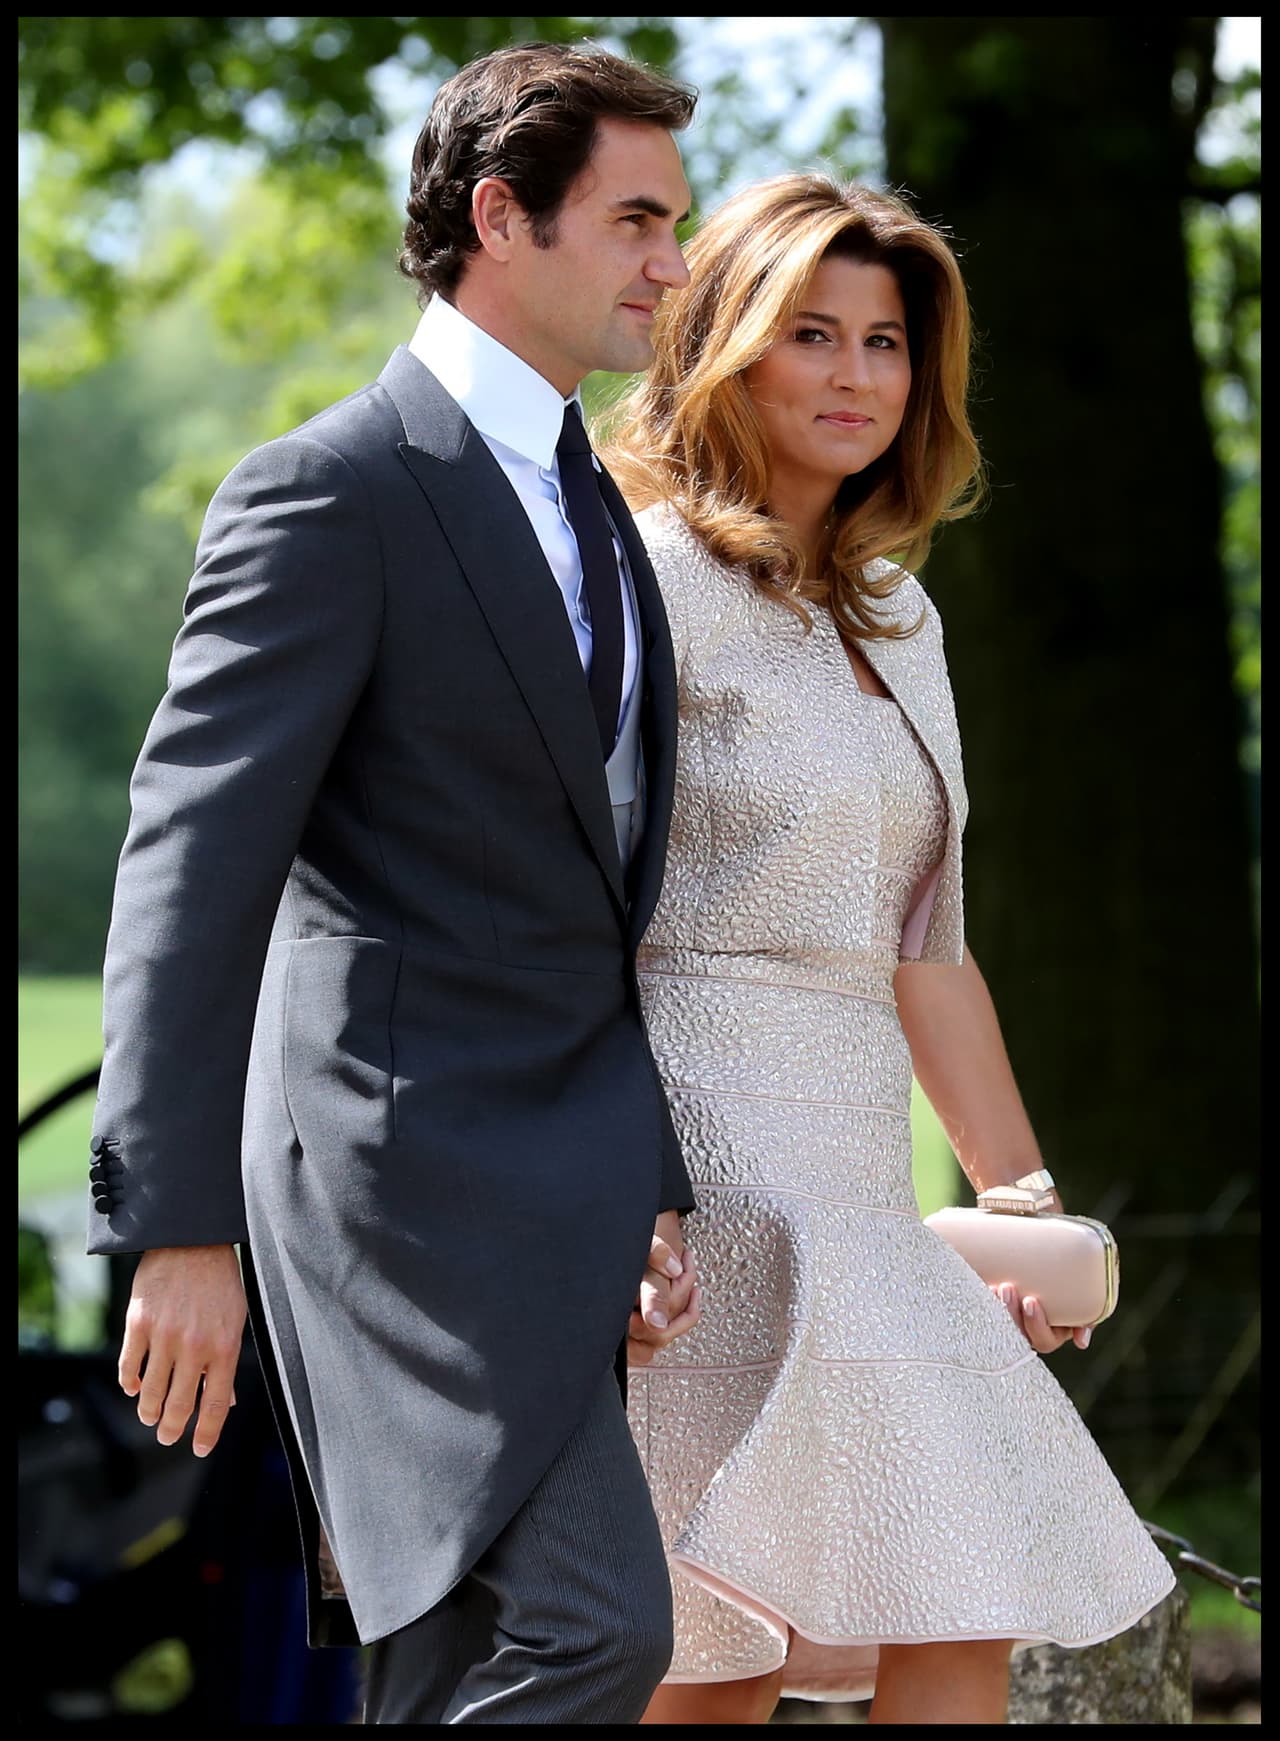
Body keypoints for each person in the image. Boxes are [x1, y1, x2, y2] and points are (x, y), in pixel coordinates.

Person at [86, 42, 706, 1726]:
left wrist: (641, 1175)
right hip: (394, 1180)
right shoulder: (327, 493)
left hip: (562, 1175)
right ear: (503, 218)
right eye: (638, 220)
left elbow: (591, 891)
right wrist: (176, 1221)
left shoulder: (597, 501)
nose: (673, 263)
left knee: (439, 1660)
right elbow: (190, 866)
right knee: (600, 1628)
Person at [603, 173, 1177, 1726]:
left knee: (952, 1592)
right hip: (699, 1149)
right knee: (725, 1643)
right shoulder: (637, 582)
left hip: (855, 1154)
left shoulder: (901, 618)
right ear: (727, 346)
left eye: (887, 342)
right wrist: (608, 1188)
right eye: (812, 334)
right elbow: (564, 918)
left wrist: (1019, 1203)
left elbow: (933, 940)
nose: (858, 375)